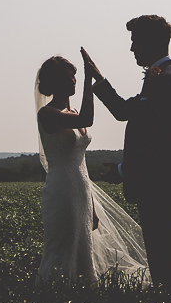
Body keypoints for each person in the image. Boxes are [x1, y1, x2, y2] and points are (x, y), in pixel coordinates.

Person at [82, 15, 171, 287]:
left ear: (152, 42)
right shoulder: (161, 78)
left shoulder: (167, 80)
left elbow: (158, 142)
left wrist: (124, 170)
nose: (132, 49)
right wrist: (98, 78)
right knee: (161, 258)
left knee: (164, 259)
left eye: (135, 41)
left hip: (162, 185)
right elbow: (126, 111)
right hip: (160, 183)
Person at [34, 55, 150, 286]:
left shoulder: (73, 110)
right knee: (62, 247)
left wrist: (91, 204)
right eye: (69, 78)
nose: (74, 81)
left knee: (83, 247)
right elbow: (88, 118)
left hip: (81, 189)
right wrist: (90, 81)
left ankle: (84, 296)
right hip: (61, 191)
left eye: (75, 76)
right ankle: (54, 296)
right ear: (55, 83)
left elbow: (81, 164)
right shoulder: (47, 114)